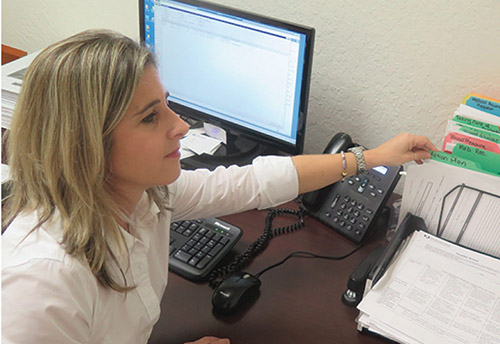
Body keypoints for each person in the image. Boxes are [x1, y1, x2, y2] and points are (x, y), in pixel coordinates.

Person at [1, 29, 438, 344]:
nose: (180, 126)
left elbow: (249, 182)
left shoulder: (143, 195)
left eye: (167, 104)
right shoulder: (42, 285)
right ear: (85, 143)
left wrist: (372, 158)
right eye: (150, 117)